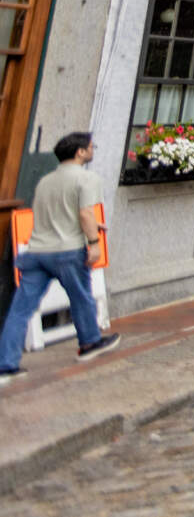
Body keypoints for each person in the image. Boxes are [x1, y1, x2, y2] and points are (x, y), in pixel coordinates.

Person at [1, 132, 122, 382]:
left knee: (21, 309)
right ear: (80, 152)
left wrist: (87, 225)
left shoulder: (45, 181)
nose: (92, 150)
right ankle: (89, 342)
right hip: (67, 250)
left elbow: (53, 214)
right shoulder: (87, 178)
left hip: (37, 251)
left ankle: (6, 364)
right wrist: (93, 242)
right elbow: (85, 213)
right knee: (81, 297)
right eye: (91, 147)